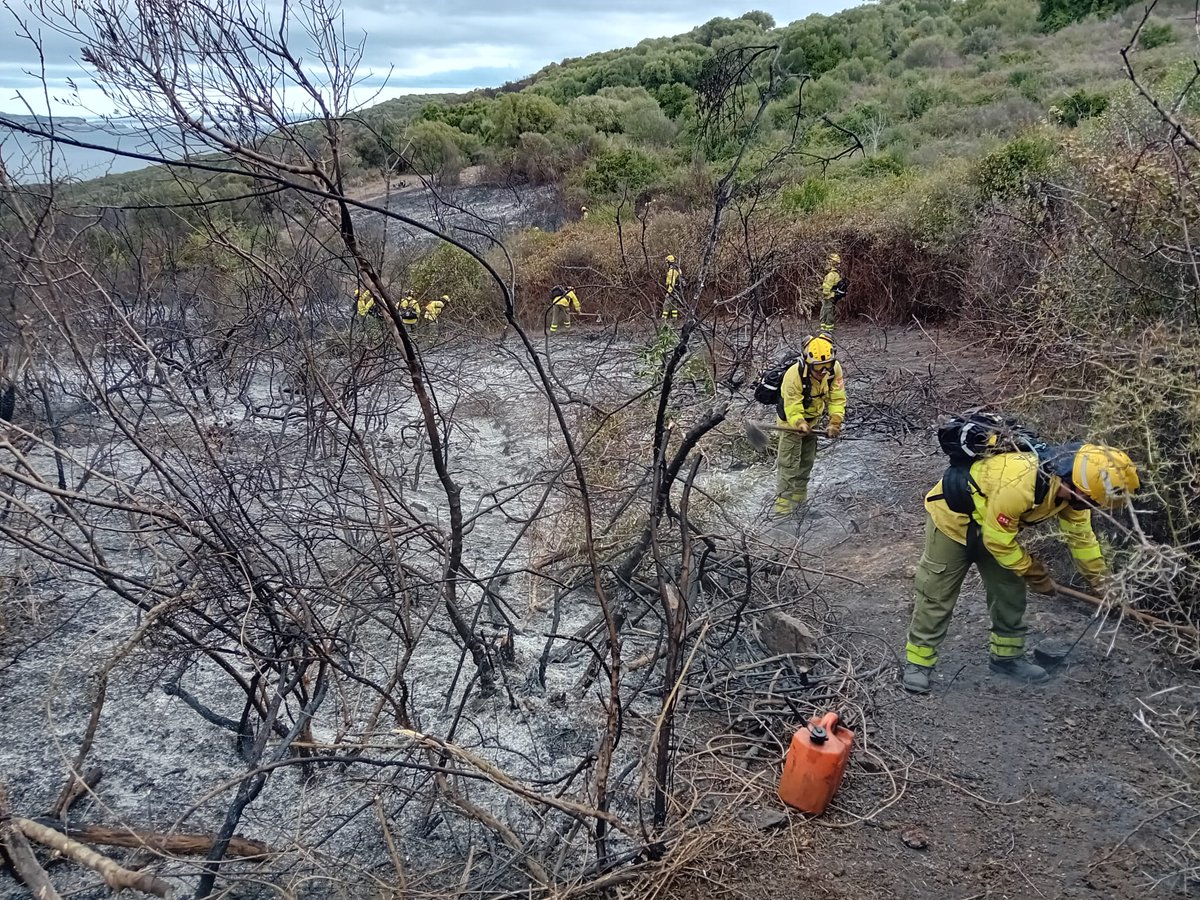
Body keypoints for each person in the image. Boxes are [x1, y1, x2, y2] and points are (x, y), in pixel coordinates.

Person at [902, 443, 1140, 694]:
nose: (1094, 508)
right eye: (1093, 502)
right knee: (936, 592)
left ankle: (1007, 659)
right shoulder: (1021, 481)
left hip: (997, 529)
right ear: (1080, 488)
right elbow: (996, 541)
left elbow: (1083, 541)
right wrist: (1032, 570)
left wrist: (1104, 585)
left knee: (1010, 591)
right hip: (953, 522)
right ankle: (919, 663)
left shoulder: (1074, 499)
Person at [774, 334, 846, 516]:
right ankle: (782, 511)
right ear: (808, 362)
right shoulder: (793, 375)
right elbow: (792, 405)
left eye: (826, 367)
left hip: (813, 421)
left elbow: (837, 398)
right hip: (790, 423)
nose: (823, 372)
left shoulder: (834, 369)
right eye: (818, 368)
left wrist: (834, 423)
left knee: (806, 462)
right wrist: (799, 422)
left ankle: (799, 505)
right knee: (789, 465)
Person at [819, 253, 847, 333]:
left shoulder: (831, 275)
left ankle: (828, 329)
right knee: (826, 311)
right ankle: (824, 328)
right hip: (832, 296)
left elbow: (827, 287)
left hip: (829, 296)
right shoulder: (836, 274)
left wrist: (824, 293)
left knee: (827, 312)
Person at [661, 254, 683, 320]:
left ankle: (663, 321)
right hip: (677, 291)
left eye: (667, 262)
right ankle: (674, 320)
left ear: (669, 262)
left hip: (672, 292)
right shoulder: (678, 269)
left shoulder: (671, 272)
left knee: (666, 306)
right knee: (674, 307)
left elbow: (671, 284)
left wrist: (668, 293)